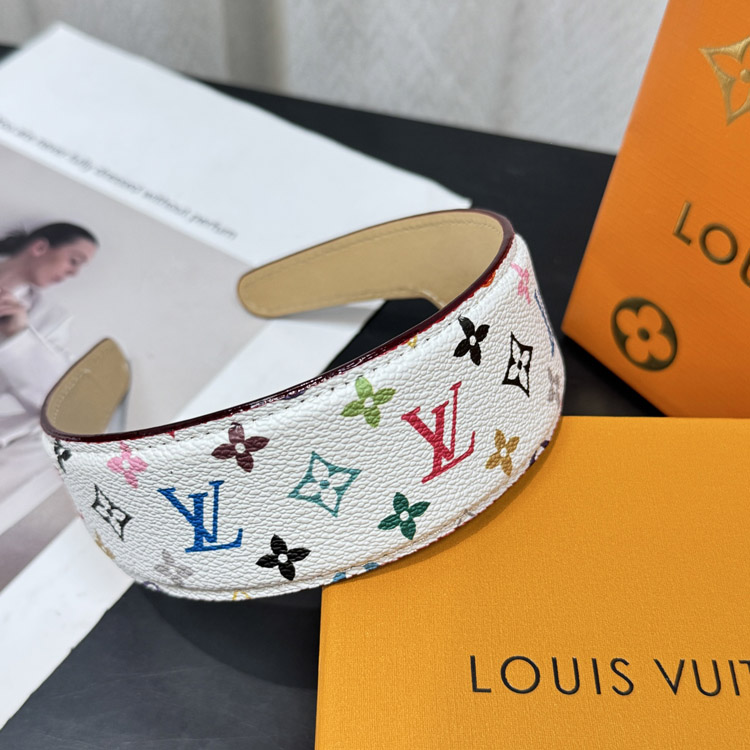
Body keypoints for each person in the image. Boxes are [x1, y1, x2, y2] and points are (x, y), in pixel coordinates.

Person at [0, 223, 98, 509]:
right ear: (40, 247)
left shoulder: (49, 320)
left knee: (58, 435)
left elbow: (53, 403)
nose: (73, 273)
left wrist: (18, 334)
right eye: (74, 260)